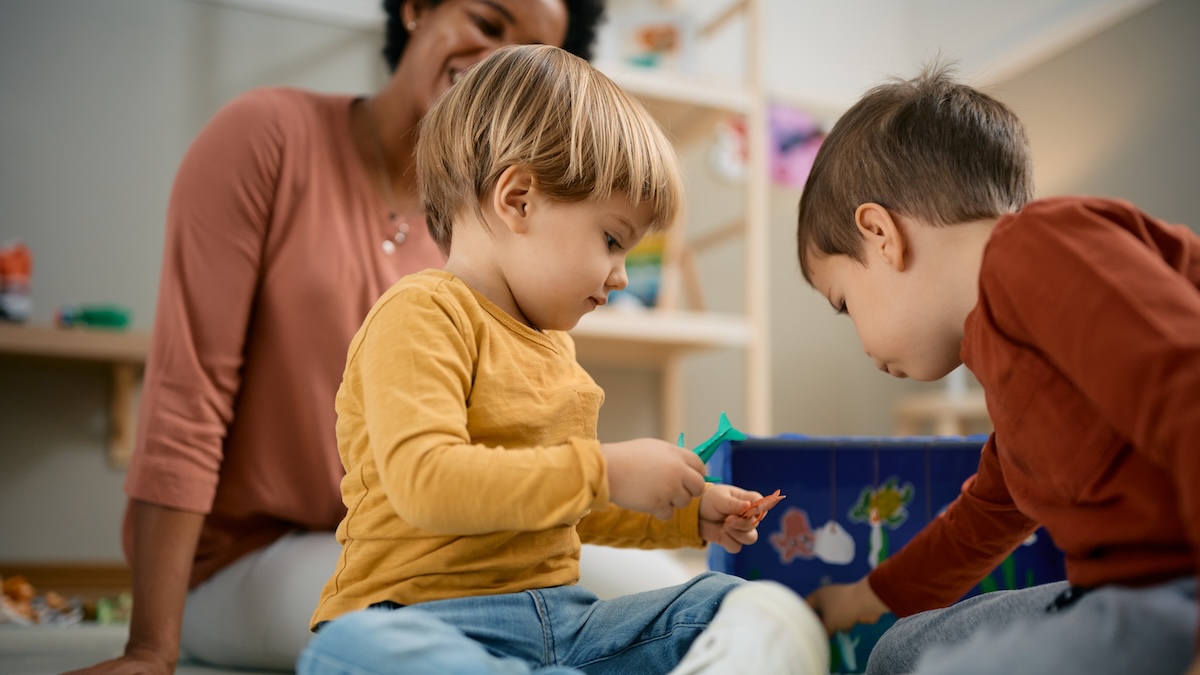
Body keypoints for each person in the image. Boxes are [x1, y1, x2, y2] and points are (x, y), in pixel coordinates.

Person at [68, 2, 610, 673]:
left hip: (404, 534)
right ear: (417, 8)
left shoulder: (495, 230)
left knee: (630, 584)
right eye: (488, 24)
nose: (494, 67)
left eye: (524, 57)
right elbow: (187, 399)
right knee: (483, 609)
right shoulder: (265, 136)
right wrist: (150, 647)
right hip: (241, 561)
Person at [296, 44, 830, 675]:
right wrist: (606, 469)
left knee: (740, 603)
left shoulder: (557, 350)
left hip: (566, 624)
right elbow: (426, 482)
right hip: (426, 618)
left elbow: (561, 500)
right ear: (518, 199)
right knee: (346, 650)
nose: (621, 277)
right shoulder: (420, 313)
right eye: (612, 239)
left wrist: (688, 516)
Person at [795, 62, 1199, 675]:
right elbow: (986, 515)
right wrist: (863, 597)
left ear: (881, 235)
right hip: (1117, 593)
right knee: (896, 654)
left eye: (844, 302)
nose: (860, 338)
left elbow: (1185, 388)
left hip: (1173, 592)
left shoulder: (1037, 250)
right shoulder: (1009, 354)